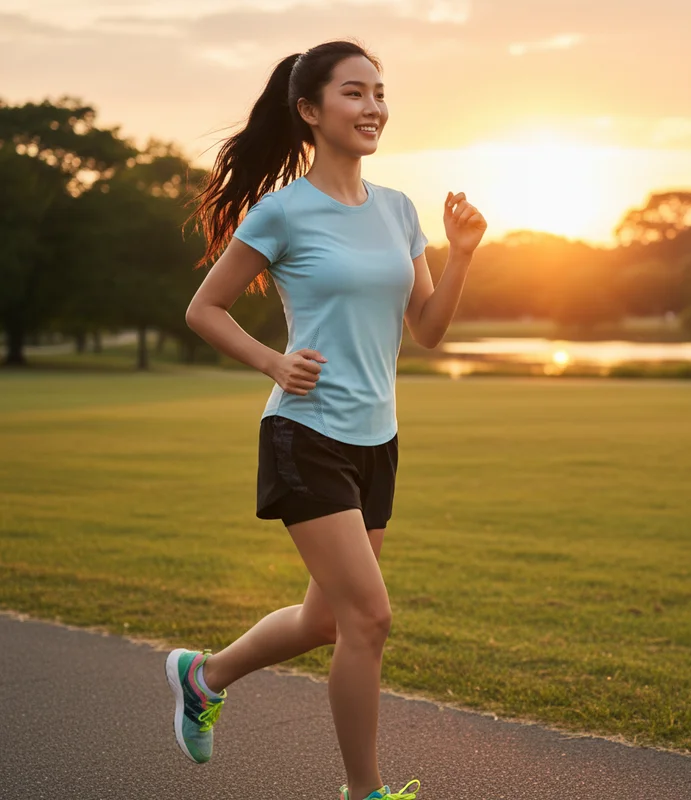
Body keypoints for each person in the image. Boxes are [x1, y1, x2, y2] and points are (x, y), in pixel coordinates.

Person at [164, 38, 486, 800]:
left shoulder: (400, 211)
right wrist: (274, 362)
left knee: (327, 622)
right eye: (354, 93)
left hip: (377, 440)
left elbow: (429, 330)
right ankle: (365, 794)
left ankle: (203, 678)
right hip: (305, 434)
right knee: (369, 618)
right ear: (310, 111)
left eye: (379, 92)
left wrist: (464, 254)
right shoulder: (281, 213)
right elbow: (203, 310)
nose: (373, 106)